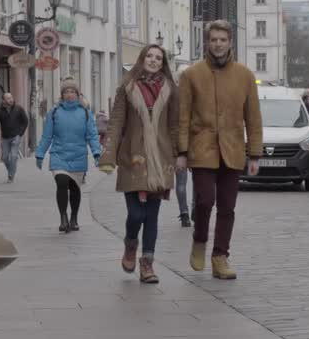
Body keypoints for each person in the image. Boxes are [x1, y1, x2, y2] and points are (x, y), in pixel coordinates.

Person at [177, 19, 263, 280]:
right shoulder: (191, 75)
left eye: (222, 40)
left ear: (230, 43)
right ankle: (200, 238)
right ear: (207, 42)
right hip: (202, 148)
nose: (218, 44)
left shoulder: (245, 76)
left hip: (233, 149)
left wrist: (255, 154)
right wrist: (181, 152)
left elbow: (254, 118)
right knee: (204, 201)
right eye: (213, 39)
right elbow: (182, 117)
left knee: (227, 207)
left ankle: (220, 256)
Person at [99, 44, 180, 284]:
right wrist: (108, 156)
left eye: (158, 58)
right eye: (149, 56)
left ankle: (147, 265)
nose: (154, 61)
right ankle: (130, 244)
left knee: (152, 216)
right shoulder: (127, 87)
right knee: (136, 214)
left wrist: (180, 154)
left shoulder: (171, 90)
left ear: (162, 62)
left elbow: (175, 125)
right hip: (133, 157)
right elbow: (115, 123)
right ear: (142, 59)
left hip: (161, 159)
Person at [35, 77, 102, 233]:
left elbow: (92, 135)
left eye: (72, 91)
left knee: (74, 188)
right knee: (62, 182)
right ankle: (63, 216)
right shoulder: (54, 112)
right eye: (66, 91)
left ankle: (74, 218)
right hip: (59, 154)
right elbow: (47, 136)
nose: (69, 94)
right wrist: (40, 154)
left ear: (78, 94)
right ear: (62, 94)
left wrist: (97, 153)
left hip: (78, 155)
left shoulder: (85, 113)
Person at [0, 92, 28, 183]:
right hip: (5, 138)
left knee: (14, 156)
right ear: (3, 100)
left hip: (16, 136)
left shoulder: (19, 109)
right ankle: (11, 171)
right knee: (5, 157)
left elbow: (25, 121)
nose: (11, 100)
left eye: (11, 97)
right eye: (8, 98)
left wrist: (20, 133)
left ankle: (11, 175)